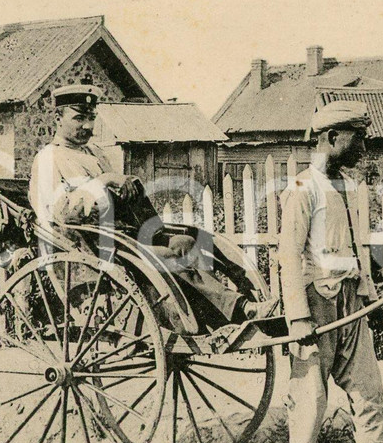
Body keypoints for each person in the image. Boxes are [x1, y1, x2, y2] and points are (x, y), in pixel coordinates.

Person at [28, 81, 276, 332]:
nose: (88, 126)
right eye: (79, 118)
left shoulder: (94, 154)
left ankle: (215, 319)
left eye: (91, 118)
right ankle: (239, 309)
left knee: (186, 243)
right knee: (166, 257)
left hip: (123, 236)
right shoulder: (49, 158)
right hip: (92, 249)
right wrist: (105, 180)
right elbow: (61, 214)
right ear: (58, 118)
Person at [278, 100, 383, 443]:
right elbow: (288, 255)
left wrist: (370, 297)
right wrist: (298, 316)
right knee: (310, 392)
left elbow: (359, 249)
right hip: (314, 302)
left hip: (349, 301)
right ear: (332, 138)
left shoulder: (351, 188)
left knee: (369, 388)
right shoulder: (303, 188)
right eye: (358, 137)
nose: (365, 145)